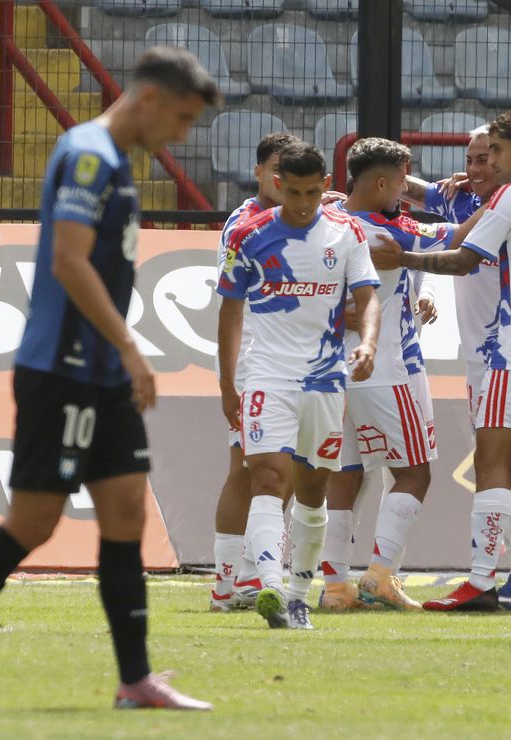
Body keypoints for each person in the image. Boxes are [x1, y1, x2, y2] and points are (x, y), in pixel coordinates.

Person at [0, 47, 219, 711]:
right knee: (36, 521)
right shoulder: (90, 155)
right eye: (182, 118)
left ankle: (135, 680)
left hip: (100, 372)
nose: (182, 136)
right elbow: (70, 264)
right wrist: (130, 347)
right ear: (149, 98)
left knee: (127, 511)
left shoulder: (116, 162)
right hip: (63, 369)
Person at [374, 106, 511, 613]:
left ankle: (481, 579)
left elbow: (461, 257)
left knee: (493, 460)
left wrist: (403, 259)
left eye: (496, 151)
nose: (489, 163)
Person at [217, 142, 381, 630]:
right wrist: (229, 384)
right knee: (267, 478)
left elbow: (367, 297)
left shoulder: (347, 232)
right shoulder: (248, 236)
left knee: (313, 492)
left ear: (326, 186)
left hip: (326, 379)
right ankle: (268, 586)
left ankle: (296, 595)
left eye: (312, 192)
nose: (304, 203)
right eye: (294, 193)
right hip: (267, 375)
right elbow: (229, 311)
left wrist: (368, 344)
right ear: (277, 186)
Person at [317, 138, 452, 611]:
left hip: (333, 371)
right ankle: (378, 577)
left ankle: (334, 587)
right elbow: (459, 240)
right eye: (400, 182)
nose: (405, 191)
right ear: (380, 183)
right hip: (388, 368)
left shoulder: (327, 221)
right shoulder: (381, 231)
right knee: (414, 474)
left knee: (344, 476)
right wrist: (499, 205)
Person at [210, 132, 300, 613]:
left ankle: (247, 575)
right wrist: (229, 382)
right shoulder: (245, 224)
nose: (287, 181)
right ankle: (226, 582)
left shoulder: (295, 218)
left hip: (284, 358)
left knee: (274, 470)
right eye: (278, 171)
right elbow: (233, 304)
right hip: (251, 358)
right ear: (260, 172)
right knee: (246, 469)